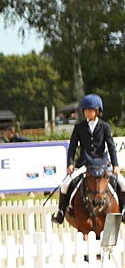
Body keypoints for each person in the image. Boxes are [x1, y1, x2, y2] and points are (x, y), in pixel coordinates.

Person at [52, 93, 125, 223]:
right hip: (85, 164)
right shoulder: (79, 127)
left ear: (97, 111)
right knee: (65, 184)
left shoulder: (105, 127)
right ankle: (61, 212)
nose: (87, 113)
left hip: (102, 164)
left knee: (122, 182)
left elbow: (111, 147)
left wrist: (115, 165)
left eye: (90, 110)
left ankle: (124, 210)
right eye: (85, 110)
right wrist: (70, 163)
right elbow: (73, 147)